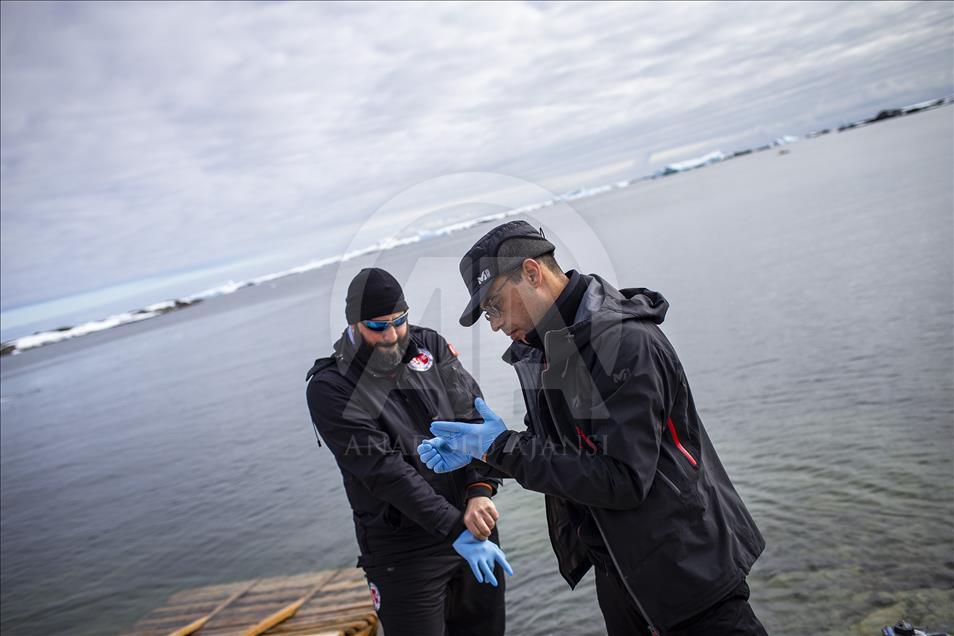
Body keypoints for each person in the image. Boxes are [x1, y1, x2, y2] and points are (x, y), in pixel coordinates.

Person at [417, 220, 766, 636]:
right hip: (621, 574)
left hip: (690, 571)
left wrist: (501, 448)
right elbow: (562, 452)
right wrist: (487, 453)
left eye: (494, 305)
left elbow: (622, 479)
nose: (493, 324)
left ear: (532, 273)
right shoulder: (547, 347)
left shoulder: (621, 343)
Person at [305, 267, 512, 636]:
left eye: (399, 321)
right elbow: (384, 470)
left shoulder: (430, 346)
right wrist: (455, 531)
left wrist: (481, 491)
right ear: (354, 323)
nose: (391, 335)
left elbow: (473, 420)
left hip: (472, 522)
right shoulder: (329, 387)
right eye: (377, 325)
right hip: (403, 552)